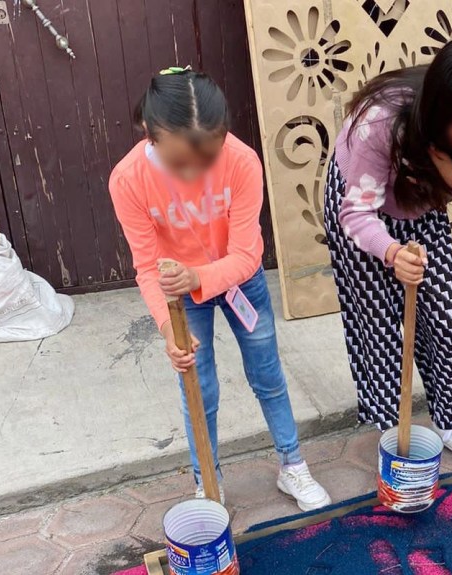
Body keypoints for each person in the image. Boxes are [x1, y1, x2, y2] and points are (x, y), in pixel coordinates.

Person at [110, 68, 331, 511]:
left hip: (239, 280)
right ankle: (207, 481)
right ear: (149, 135)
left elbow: (247, 255)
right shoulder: (129, 179)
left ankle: (292, 464)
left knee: (267, 374)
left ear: (223, 136)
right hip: (178, 296)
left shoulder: (242, 161)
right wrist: (166, 326)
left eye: (208, 158)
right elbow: (147, 268)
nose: (194, 173)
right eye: (180, 163)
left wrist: (202, 278)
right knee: (199, 386)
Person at [323, 35, 452, 466]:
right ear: (439, 104)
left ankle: (450, 420)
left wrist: (450, 171)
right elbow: (356, 214)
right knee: (379, 320)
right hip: (362, 202)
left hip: (421, 202)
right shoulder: (381, 122)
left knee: (444, 314)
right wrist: (391, 253)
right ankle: (395, 425)